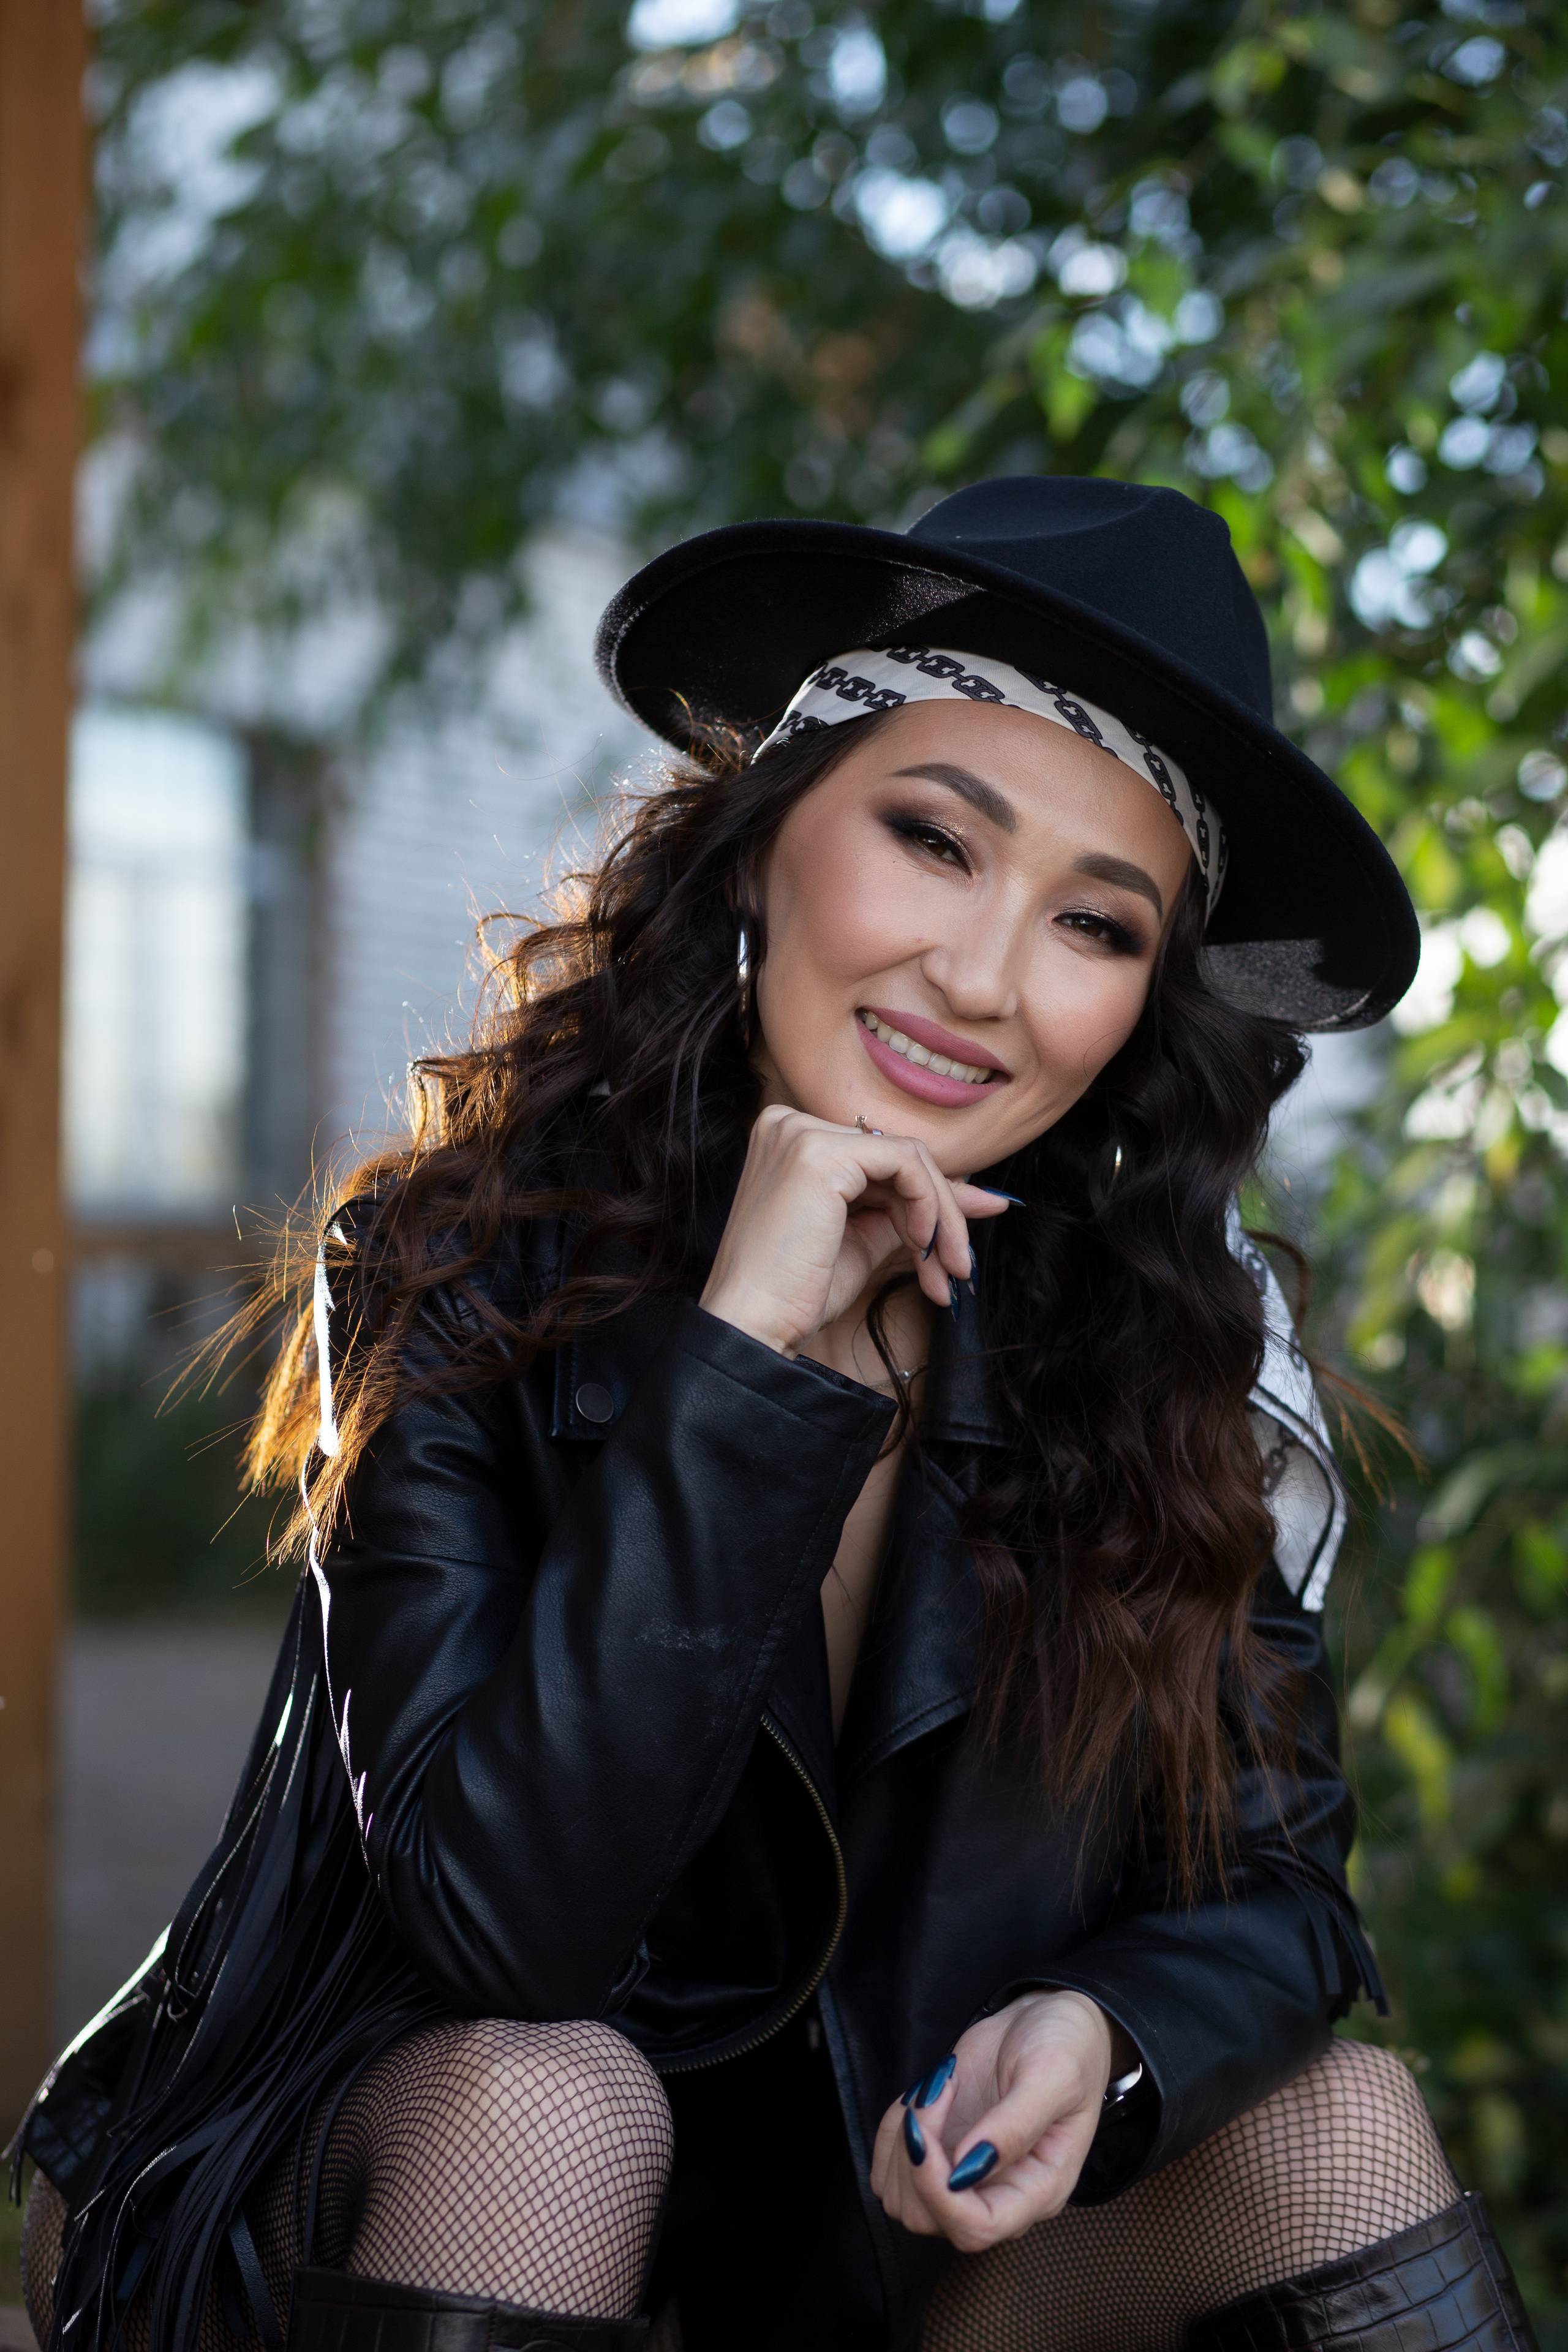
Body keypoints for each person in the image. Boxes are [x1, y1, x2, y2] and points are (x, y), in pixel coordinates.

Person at [14, 478, 1537, 2352]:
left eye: (1094, 924)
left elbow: (1285, 1891)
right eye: (933, 838)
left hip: (853, 2252)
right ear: (761, 841)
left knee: (1344, 2127)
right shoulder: (455, 1262)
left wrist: (1114, 2033)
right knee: (556, 2114)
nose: (981, 979)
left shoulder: (1178, 1366)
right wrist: (745, 1353)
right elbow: (507, 1934)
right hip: (372, 2188)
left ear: (1144, 1005)